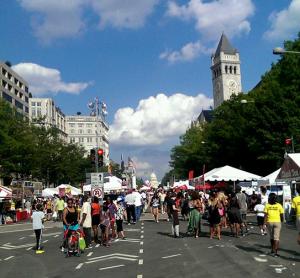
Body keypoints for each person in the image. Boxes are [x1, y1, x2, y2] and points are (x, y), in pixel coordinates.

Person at [264, 193, 284, 257]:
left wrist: (264, 223)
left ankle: (272, 249)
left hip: (270, 222)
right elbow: (281, 215)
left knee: (272, 237)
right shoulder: (279, 205)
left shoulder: (267, 205)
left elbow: (265, 215)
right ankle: (276, 252)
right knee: (277, 238)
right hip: (277, 222)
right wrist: (282, 221)